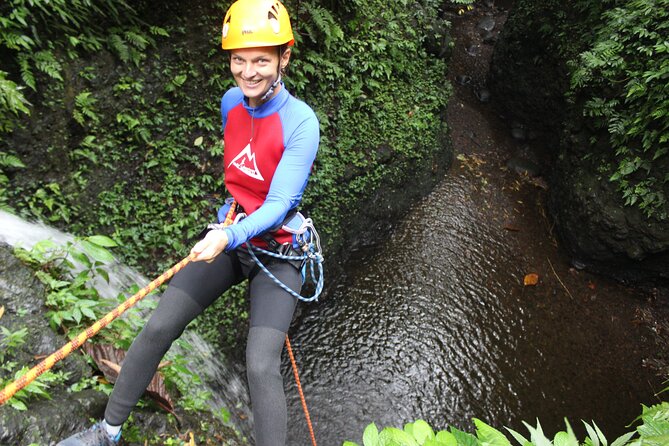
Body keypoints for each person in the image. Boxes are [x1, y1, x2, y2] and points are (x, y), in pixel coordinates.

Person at [58, 0, 320, 444]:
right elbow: (242, 173)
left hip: (278, 252)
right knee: (160, 324)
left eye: (261, 59)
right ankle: (107, 433)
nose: (248, 71)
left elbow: (278, 202)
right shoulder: (230, 104)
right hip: (233, 235)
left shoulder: (301, 122)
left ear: (284, 58)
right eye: (239, 59)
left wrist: (228, 234)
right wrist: (228, 227)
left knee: (259, 363)